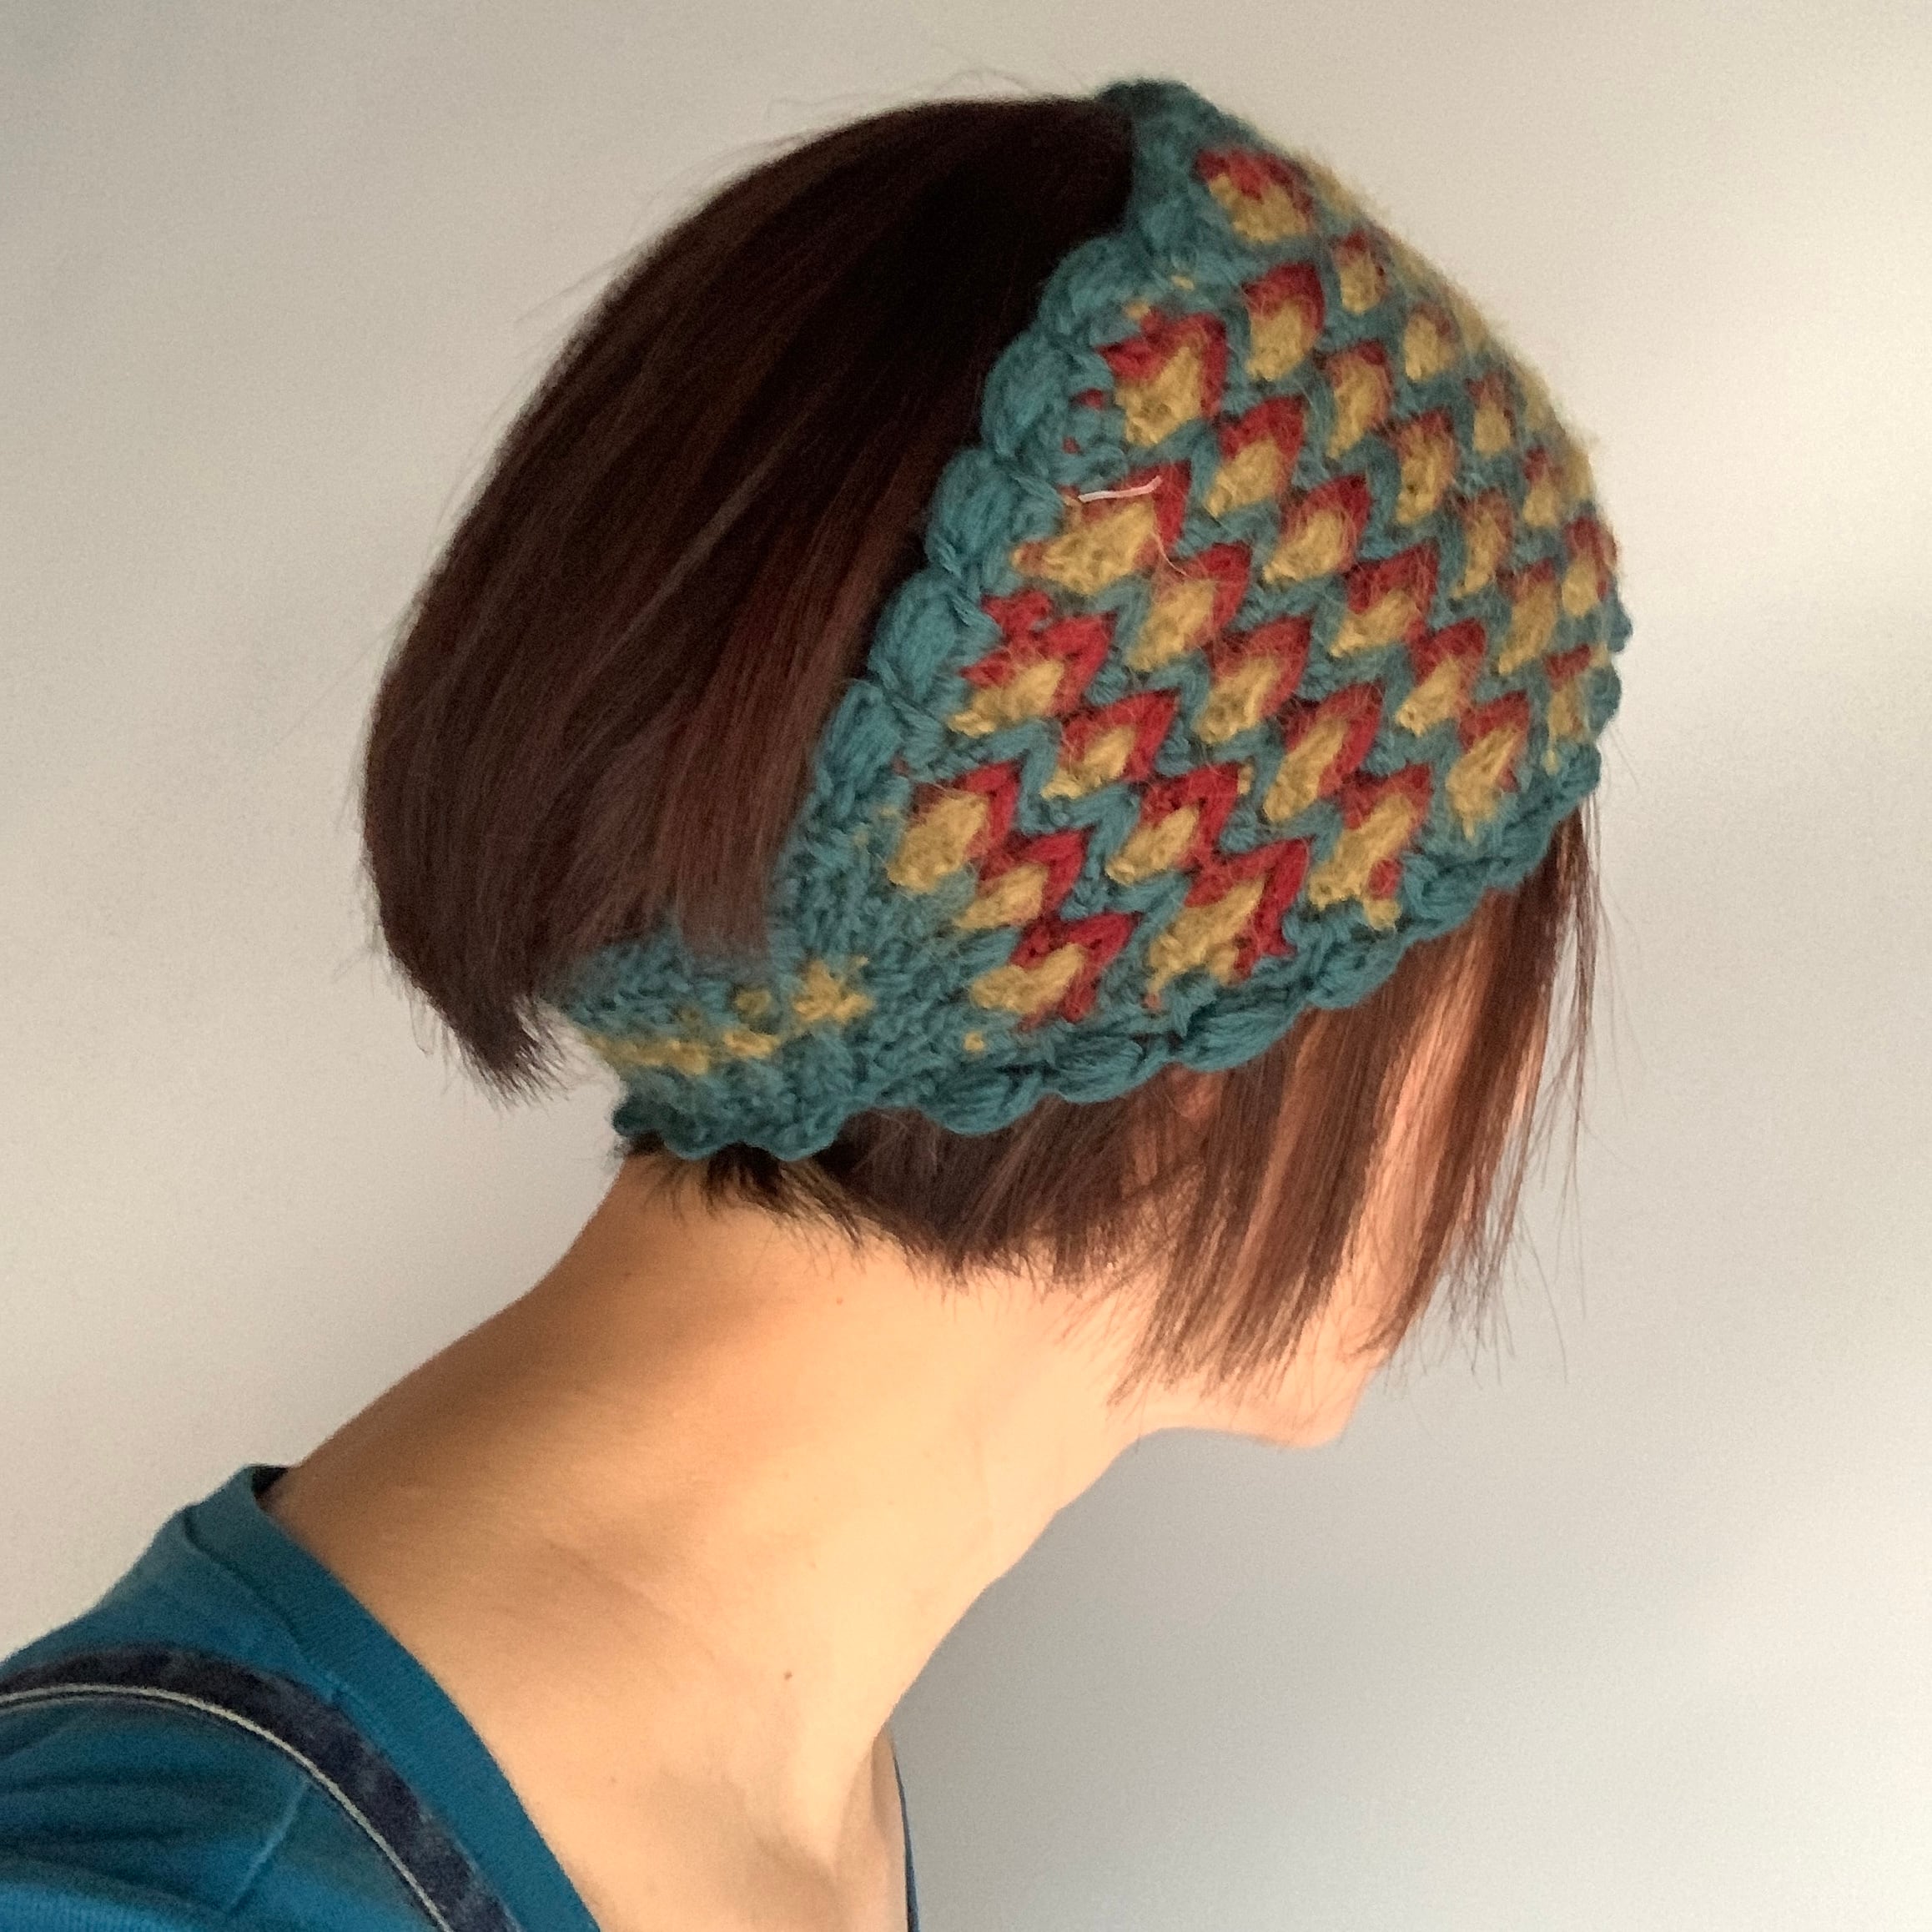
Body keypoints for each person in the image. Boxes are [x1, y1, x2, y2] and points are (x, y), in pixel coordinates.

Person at [0, 73, 1629, 1932]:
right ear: (1197, 1020)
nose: (1517, 1079)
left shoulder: (768, 1752)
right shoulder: (162, 1897)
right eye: (1487, 922)